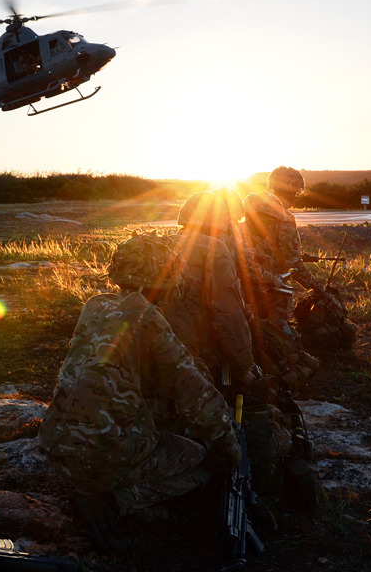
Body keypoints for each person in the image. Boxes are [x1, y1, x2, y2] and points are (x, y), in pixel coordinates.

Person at [39, 233, 241, 551]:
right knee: (200, 457)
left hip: (56, 445)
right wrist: (230, 451)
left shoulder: (94, 306)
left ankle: (95, 486)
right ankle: (116, 501)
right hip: (105, 457)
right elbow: (198, 395)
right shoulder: (149, 317)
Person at [158, 191, 258, 393]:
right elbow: (229, 316)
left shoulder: (163, 243)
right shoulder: (215, 248)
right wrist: (244, 367)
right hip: (191, 355)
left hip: (156, 346)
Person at [240, 168, 323, 387]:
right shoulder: (285, 217)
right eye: (297, 191)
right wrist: (315, 286)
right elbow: (293, 263)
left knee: (251, 327)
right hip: (274, 286)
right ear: (294, 190)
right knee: (278, 333)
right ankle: (280, 373)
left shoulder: (248, 207)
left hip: (245, 280)